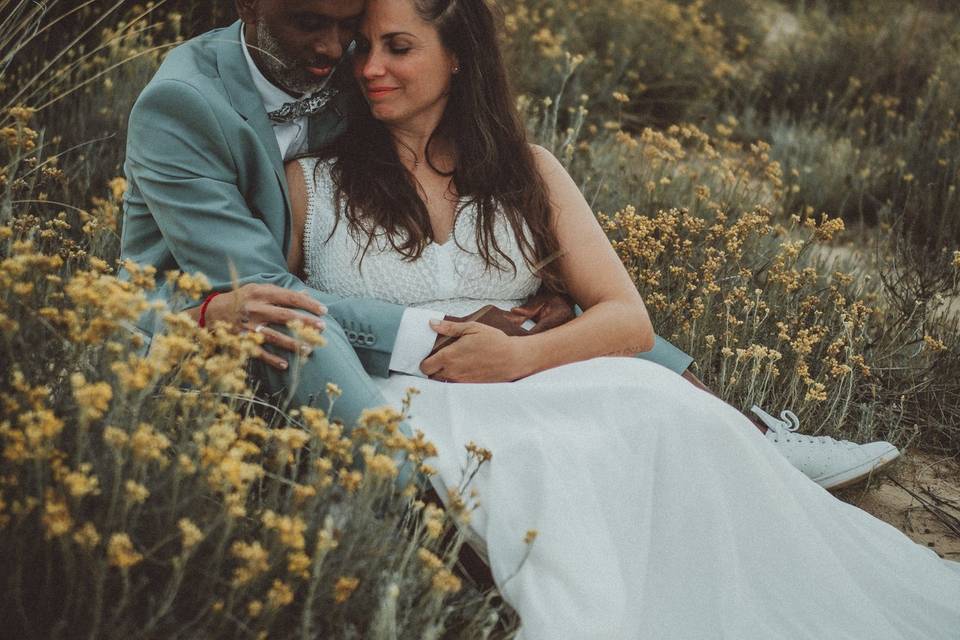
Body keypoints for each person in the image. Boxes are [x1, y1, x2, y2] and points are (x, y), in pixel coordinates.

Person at [271, 0, 959, 636]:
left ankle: (758, 473)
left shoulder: (528, 172)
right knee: (541, 463)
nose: (369, 68)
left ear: (458, 56)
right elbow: (275, 300)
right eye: (363, 47)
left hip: (543, 374)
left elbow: (628, 319)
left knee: (681, 419)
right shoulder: (312, 183)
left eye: (397, 48)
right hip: (408, 399)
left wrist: (518, 357)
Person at [120, 0, 900, 490]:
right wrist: (391, 455)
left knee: (654, 417)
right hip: (211, 313)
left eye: (359, 34)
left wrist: (525, 339)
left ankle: (747, 437)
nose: (344, 58)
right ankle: (395, 498)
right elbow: (271, 299)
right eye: (317, 28)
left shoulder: (348, 88)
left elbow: (620, 311)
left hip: (498, 361)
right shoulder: (193, 109)